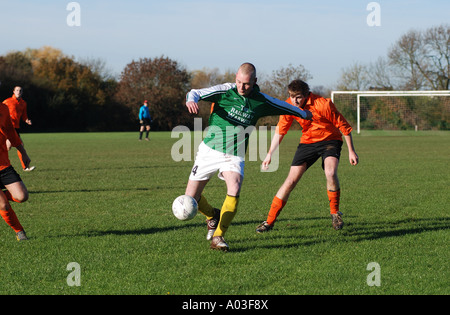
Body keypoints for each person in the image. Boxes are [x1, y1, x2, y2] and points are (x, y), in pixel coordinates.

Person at [184, 63, 312, 251]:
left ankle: (218, 237)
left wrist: (303, 113)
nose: (241, 87)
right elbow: (194, 92)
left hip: (234, 155)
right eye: (239, 82)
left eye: (246, 84)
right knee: (190, 199)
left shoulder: (261, 101)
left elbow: (284, 106)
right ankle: (212, 216)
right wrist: (190, 100)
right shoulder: (225, 91)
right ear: (235, 77)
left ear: (255, 82)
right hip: (209, 151)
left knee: (234, 188)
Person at [256, 79, 359, 233]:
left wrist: (351, 151)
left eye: (298, 97)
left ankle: (335, 214)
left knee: (330, 173)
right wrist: (270, 153)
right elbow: (281, 130)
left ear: (306, 95)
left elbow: (344, 127)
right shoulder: (289, 105)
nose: (294, 100)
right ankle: (269, 222)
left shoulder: (323, 104)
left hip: (330, 140)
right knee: (290, 181)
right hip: (308, 142)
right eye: (292, 96)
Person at [0, 100, 32, 241]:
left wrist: (23, 152)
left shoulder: (4, 108)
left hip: (3, 165)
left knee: (22, 196)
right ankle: (19, 231)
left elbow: (11, 132)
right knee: (3, 205)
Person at [2, 86, 35, 171]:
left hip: (16, 128)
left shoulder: (23, 103)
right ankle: (25, 167)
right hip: (7, 128)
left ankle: (24, 166)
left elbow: (24, 116)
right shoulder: (7, 101)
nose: (19, 92)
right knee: (19, 145)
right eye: (17, 90)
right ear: (13, 91)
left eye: (20, 90)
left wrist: (27, 120)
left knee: (8, 147)